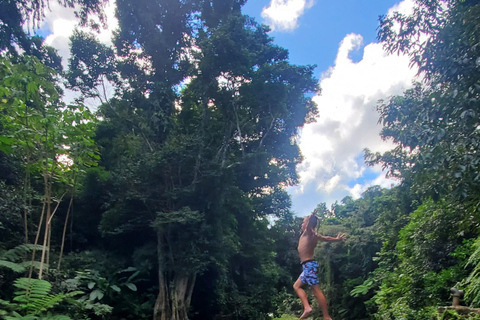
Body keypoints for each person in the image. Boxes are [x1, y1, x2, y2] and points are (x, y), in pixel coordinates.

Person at [293, 213, 346, 320]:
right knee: (296, 286)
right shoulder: (313, 235)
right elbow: (326, 238)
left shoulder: (309, 233)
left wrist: (311, 217)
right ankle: (307, 307)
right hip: (307, 267)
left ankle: (326, 316)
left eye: (303, 222)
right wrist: (337, 239)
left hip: (309, 266)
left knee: (316, 291)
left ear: (307, 224)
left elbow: (309, 227)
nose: (301, 224)